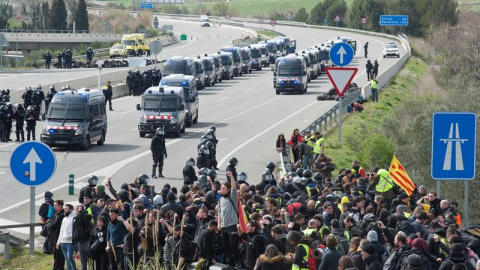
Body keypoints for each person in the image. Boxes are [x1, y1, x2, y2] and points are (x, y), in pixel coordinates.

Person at [219, 171, 241, 268]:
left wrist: (231, 177)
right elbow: (219, 212)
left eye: (224, 188)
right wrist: (219, 224)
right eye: (221, 188)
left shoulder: (232, 197)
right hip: (224, 225)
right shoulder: (220, 200)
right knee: (226, 246)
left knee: (233, 244)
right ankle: (229, 262)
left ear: (228, 190)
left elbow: (234, 187)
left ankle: (238, 261)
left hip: (232, 224)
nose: (222, 190)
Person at [56, 204, 77, 270]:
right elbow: (61, 231)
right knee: (66, 258)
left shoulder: (74, 218)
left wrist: (70, 237)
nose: (64, 210)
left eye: (66, 209)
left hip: (70, 242)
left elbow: (74, 230)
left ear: (70, 210)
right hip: (63, 242)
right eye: (64, 209)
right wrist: (58, 242)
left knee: (69, 257)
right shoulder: (64, 219)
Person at [72, 205, 92, 270]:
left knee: (88, 259)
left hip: (85, 241)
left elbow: (83, 222)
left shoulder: (85, 217)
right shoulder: (77, 218)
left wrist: (80, 213)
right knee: (83, 260)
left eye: (78, 209)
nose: (77, 211)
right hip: (80, 241)